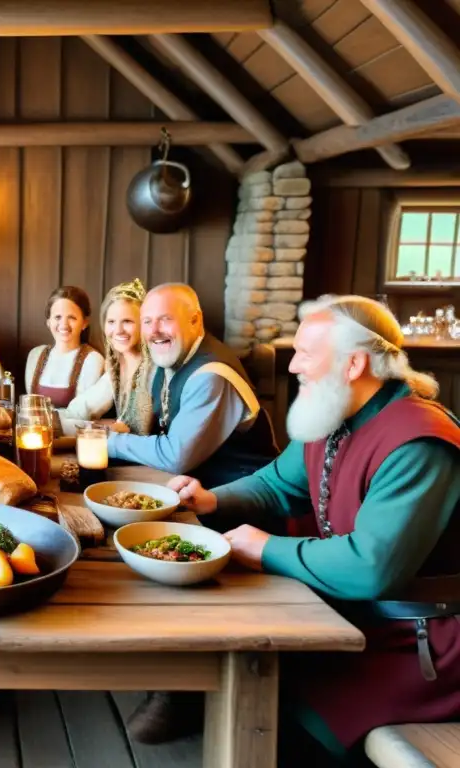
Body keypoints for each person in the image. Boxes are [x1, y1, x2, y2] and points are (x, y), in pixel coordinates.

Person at [155, 295, 460, 764]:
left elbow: (370, 567)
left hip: (421, 640)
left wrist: (265, 549)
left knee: (289, 719)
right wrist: (212, 498)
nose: (293, 365)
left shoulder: (419, 443)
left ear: (354, 363)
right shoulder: (334, 410)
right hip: (353, 616)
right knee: (230, 666)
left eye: (306, 355)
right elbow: (278, 483)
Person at [106, 282, 277, 485]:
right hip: (198, 486)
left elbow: (175, 457)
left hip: (243, 496)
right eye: (147, 321)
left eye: (165, 319)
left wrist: (109, 442)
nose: (154, 331)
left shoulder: (211, 375)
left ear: (195, 320)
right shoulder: (171, 358)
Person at [56, 279, 154, 435]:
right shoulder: (117, 367)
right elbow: (82, 408)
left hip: (144, 456)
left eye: (127, 321)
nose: (118, 330)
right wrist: (41, 418)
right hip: (116, 451)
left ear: (144, 323)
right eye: (111, 322)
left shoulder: (154, 368)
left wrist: (106, 428)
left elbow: (138, 431)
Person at [24, 286, 104, 409]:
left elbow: (82, 413)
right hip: (38, 428)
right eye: (57, 317)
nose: (64, 324)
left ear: (84, 323)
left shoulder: (93, 360)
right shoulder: (35, 355)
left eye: (71, 318)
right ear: (48, 321)